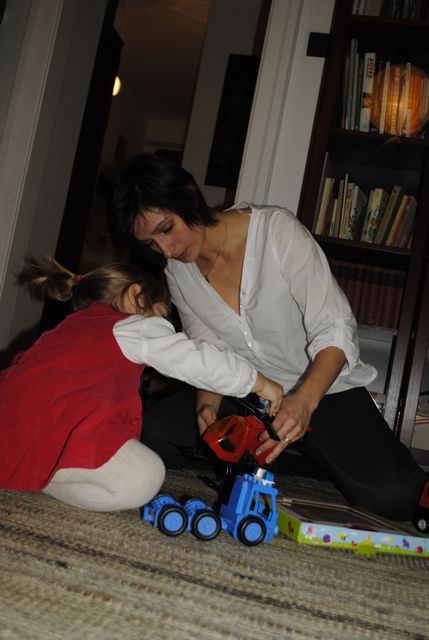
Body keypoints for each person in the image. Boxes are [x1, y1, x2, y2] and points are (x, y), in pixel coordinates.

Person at [109, 152, 428, 523]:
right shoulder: (178, 273)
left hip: (323, 390)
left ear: (189, 197)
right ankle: (295, 458)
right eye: (151, 244)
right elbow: (208, 349)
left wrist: (304, 402)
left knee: (395, 497)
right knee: (155, 432)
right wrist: (206, 405)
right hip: (249, 394)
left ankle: (310, 456)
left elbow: (335, 326)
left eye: (166, 229)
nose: (166, 250)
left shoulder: (277, 231)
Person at [0, 257, 283, 512]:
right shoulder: (132, 326)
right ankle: (47, 472)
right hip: (50, 432)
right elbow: (193, 359)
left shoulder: (65, 330)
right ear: (136, 295)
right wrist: (256, 382)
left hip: (11, 426)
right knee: (145, 476)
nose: (164, 325)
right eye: (162, 314)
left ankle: (28, 465)